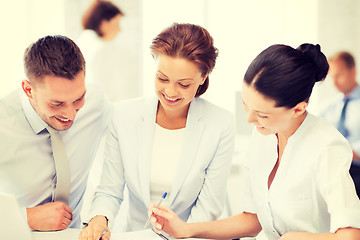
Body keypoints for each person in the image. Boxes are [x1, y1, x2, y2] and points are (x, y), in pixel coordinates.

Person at [148, 44, 360, 240]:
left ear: (298, 109)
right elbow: (253, 219)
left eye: (262, 114)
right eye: (246, 105)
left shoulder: (327, 146)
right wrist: (185, 229)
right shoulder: (263, 135)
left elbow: (350, 235)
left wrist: (293, 238)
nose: (250, 120)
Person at [79, 23, 235, 240]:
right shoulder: (123, 115)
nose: (170, 92)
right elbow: (109, 190)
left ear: (203, 77)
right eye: (162, 78)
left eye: (183, 84)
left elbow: (209, 206)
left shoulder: (221, 124)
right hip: (134, 235)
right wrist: (99, 219)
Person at [0, 35, 111, 231]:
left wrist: (100, 214)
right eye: (56, 103)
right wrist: (26, 217)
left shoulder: (97, 103)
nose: (70, 114)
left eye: (78, 99)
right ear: (28, 89)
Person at [77, 0, 135, 102]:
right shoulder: (100, 49)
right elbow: (106, 91)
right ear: (103, 23)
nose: (119, 30)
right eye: (116, 24)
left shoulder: (82, 42)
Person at [321, 51, 360, 198]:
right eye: (332, 77)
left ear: (353, 71)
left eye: (339, 75)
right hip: (334, 170)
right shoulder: (330, 107)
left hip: (356, 170)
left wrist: (345, 152)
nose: (334, 82)